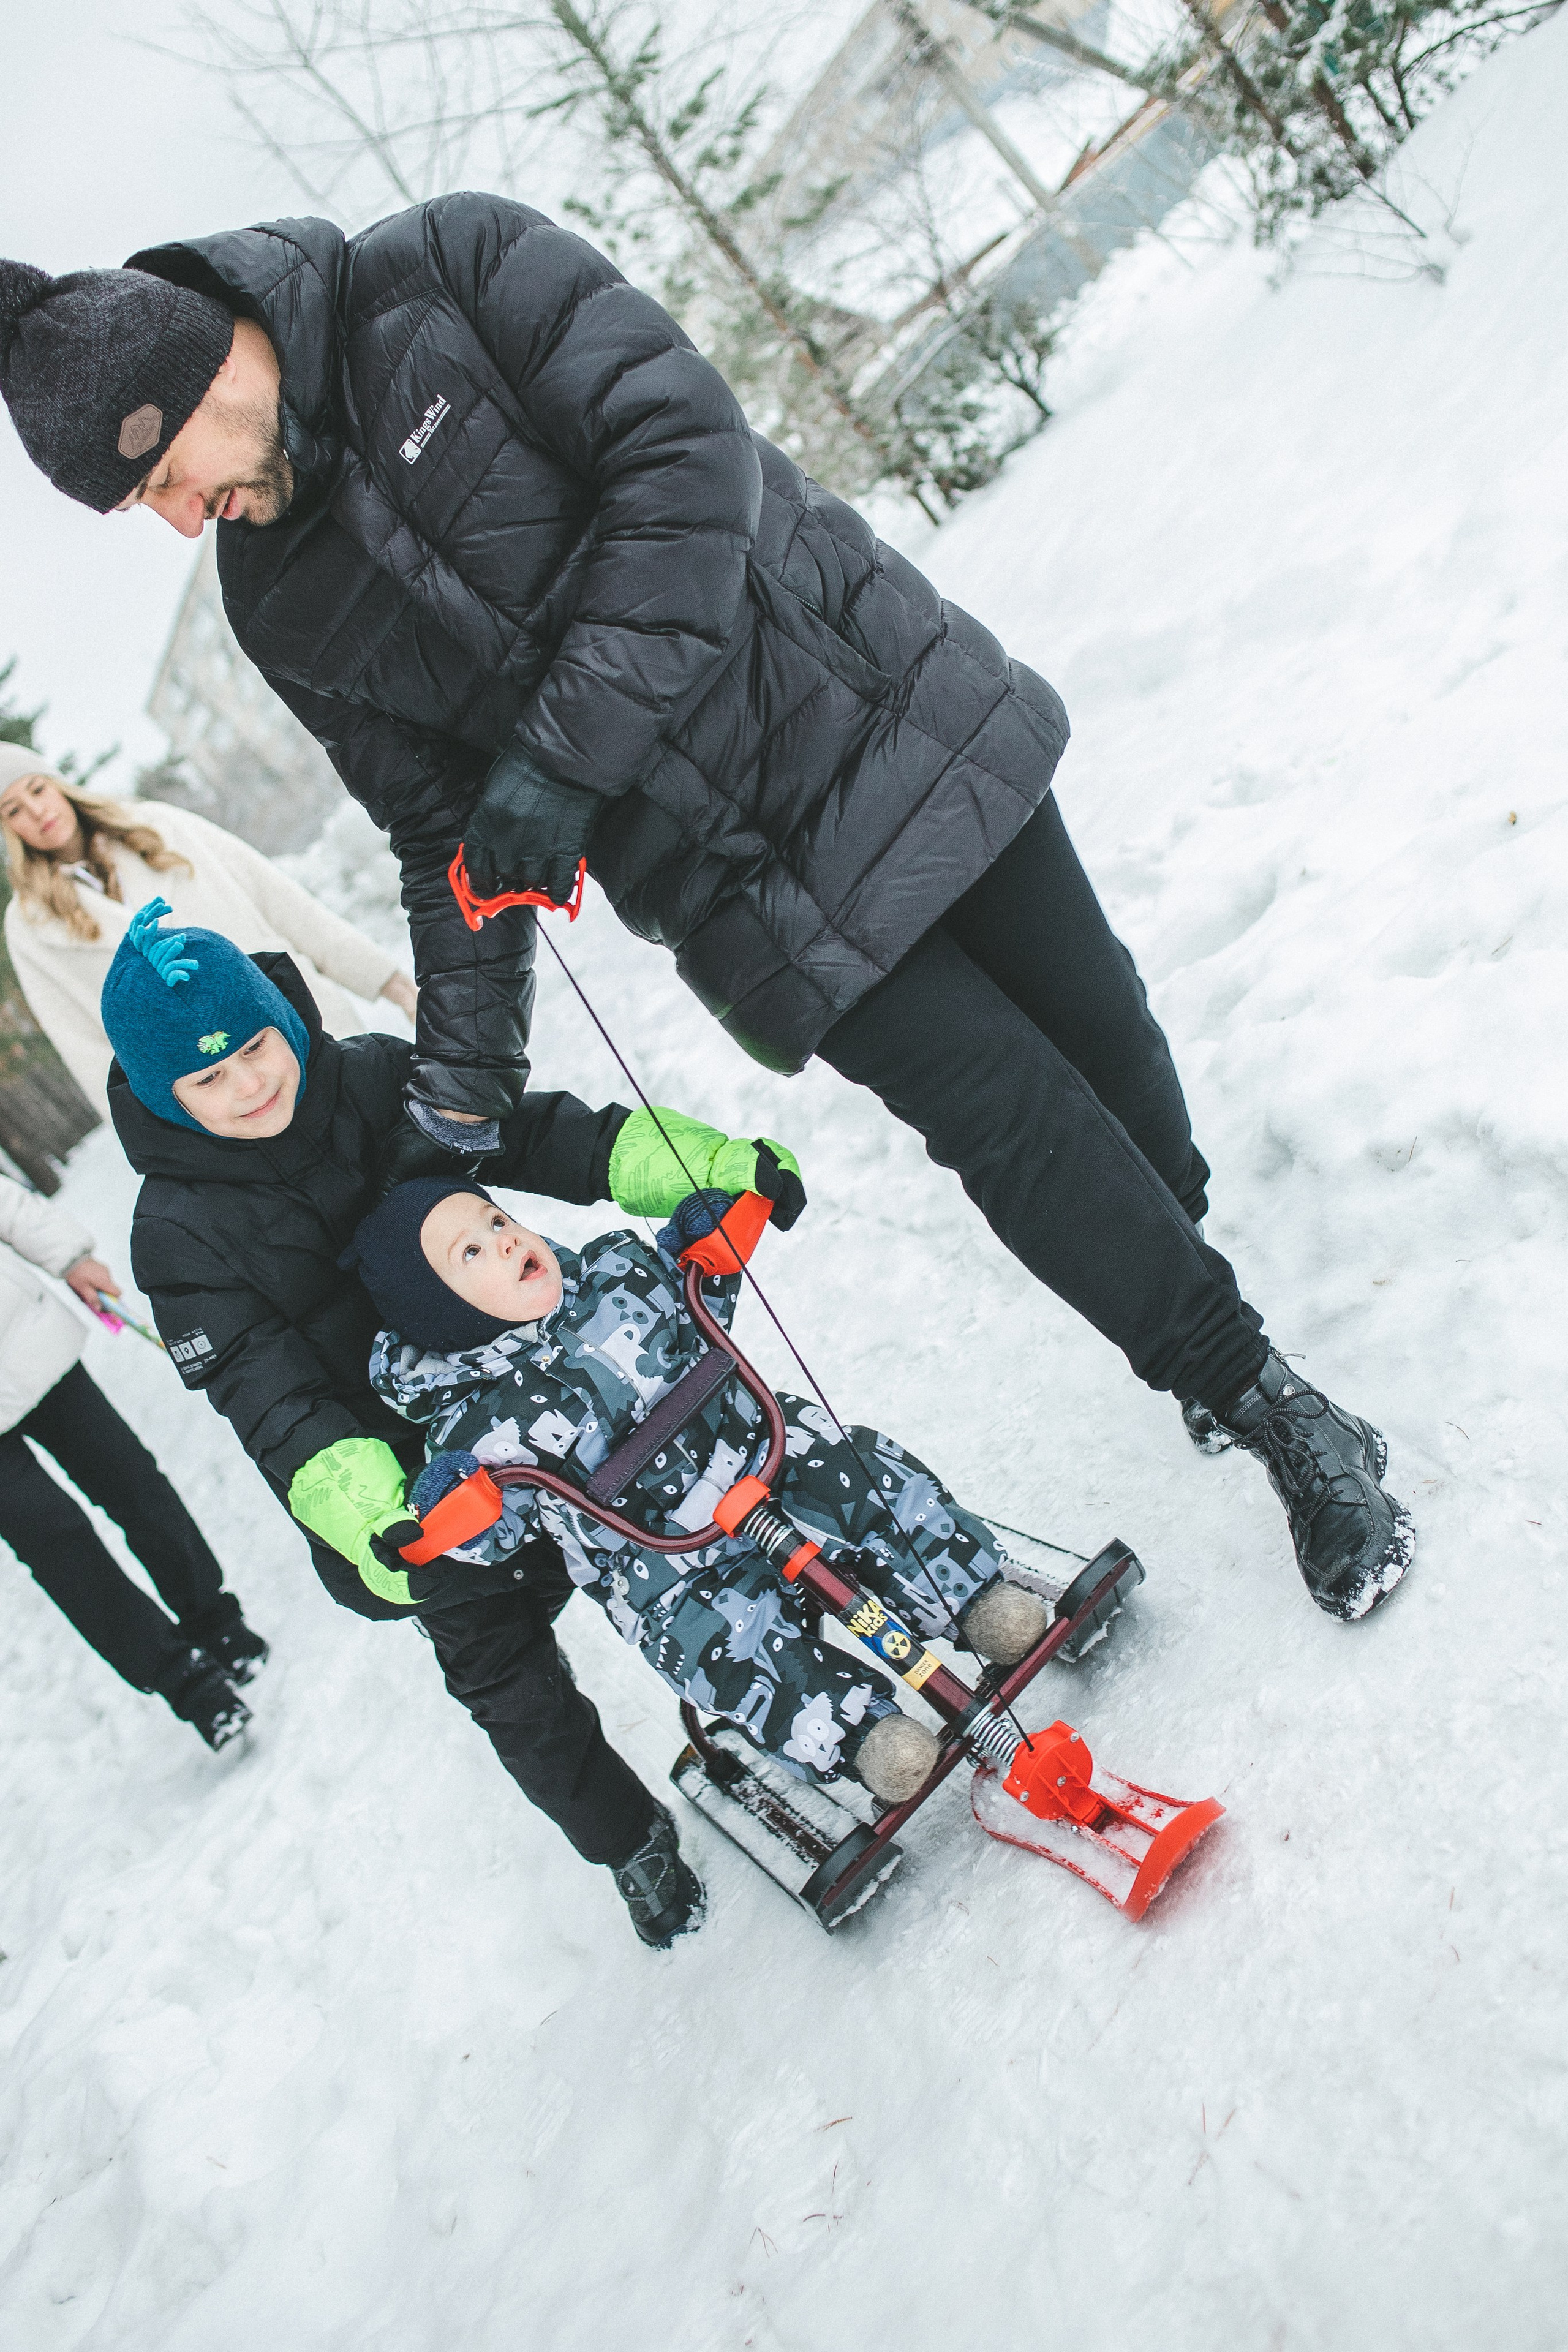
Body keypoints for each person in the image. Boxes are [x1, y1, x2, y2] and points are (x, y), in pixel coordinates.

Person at [0, 225, 1411, 1623]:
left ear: (180, 392)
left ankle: (1177, 1242)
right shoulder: (275, 595)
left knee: (1096, 1027)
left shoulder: (443, 274)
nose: (183, 522)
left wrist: (555, 759)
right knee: (1008, 1117)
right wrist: (455, 1109)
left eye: (159, 482)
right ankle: (1254, 1392)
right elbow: (443, 839)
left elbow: (684, 465)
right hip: (730, 881)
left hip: (873, 705)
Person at [97, 902, 809, 1942]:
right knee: (506, 1682)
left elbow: (538, 1134)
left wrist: (697, 1170)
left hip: (552, 1403)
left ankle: (834, 1651)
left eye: (256, 1048)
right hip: (424, 1486)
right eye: (211, 1080)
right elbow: (266, 1389)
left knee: (715, 1509)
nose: (251, 1085)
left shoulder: (375, 1077)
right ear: (169, 1095)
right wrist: (378, 1511)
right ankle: (627, 1840)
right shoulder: (177, 1234)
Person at [341, 1174, 1052, 1941]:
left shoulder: (618, 1273)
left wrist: (700, 1247)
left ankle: (971, 1597)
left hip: (763, 1453)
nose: (508, 1239)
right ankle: (862, 1735)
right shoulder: (475, 1429)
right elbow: (492, 1534)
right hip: (668, 1561)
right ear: (442, 1315)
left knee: (868, 1484)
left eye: (498, 1217)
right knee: (722, 1645)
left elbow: (701, 1299)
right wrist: (451, 1505)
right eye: (472, 1250)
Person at [0, 741, 416, 1119]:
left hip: (309, 1027)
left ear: (59, 786)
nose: (37, 812)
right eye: (13, 810)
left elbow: (282, 901)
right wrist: (150, 1135)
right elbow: (80, 1043)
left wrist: (393, 984)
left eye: (37, 789)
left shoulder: (160, 826)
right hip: (221, 1106)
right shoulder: (30, 926)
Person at [0, 1165, 263, 1750]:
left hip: (26, 1346)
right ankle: (189, 1684)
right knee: (59, 1544)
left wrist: (71, 1258)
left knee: (131, 1483)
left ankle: (216, 1624)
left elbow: (8, 1206)